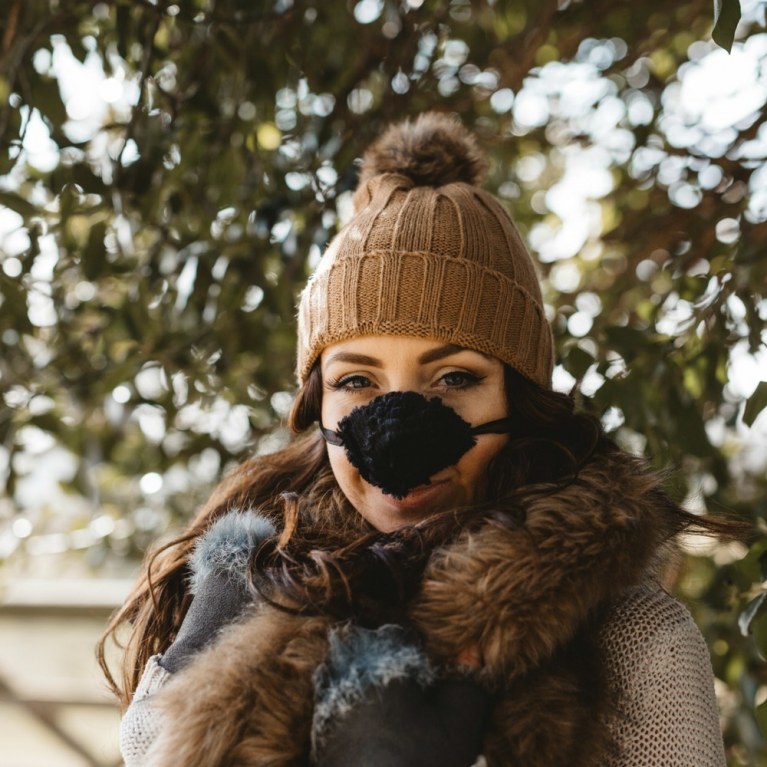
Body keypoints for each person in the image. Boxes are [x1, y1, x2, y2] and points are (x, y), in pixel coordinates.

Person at [99, 113, 743, 767]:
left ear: (516, 400)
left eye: (456, 376)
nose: (398, 428)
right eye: (355, 378)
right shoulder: (255, 589)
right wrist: (188, 695)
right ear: (317, 401)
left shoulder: (636, 641)